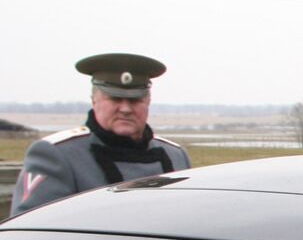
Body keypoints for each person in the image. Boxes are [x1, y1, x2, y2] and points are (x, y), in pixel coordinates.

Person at [10, 53, 191, 217]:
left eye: (135, 100)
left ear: (148, 102)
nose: (126, 109)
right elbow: (32, 232)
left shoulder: (175, 156)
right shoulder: (57, 155)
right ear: (94, 100)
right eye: (115, 99)